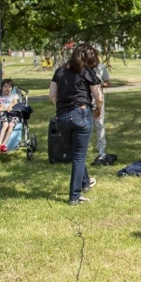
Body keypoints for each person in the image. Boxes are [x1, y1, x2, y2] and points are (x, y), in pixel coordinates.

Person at [49, 44, 103, 205]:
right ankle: (75, 195)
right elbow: (99, 97)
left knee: (75, 152)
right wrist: (98, 109)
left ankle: (85, 182)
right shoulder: (87, 72)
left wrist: (62, 109)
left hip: (63, 117)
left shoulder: (60, 71)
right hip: (81, 114)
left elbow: (52, 95)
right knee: (79, 156)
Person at [0, 78, 22, 153]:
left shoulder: (14, 96)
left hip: (13, 114)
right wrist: (1, 106)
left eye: (9, 87)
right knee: (5, 124)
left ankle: (3, 144)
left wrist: (10, 106)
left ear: (12, 89)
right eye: (5, 86)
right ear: (2, 88)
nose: (7, 88)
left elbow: (15, 102)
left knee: (11, 124)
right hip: (3, 115)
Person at [93, 61, 112, 162]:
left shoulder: (101, 67)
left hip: (98, 100)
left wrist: (101, 84)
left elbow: (108, 83)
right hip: (84, 101)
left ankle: (101, 149)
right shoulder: (81, 66)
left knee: (99, 124)